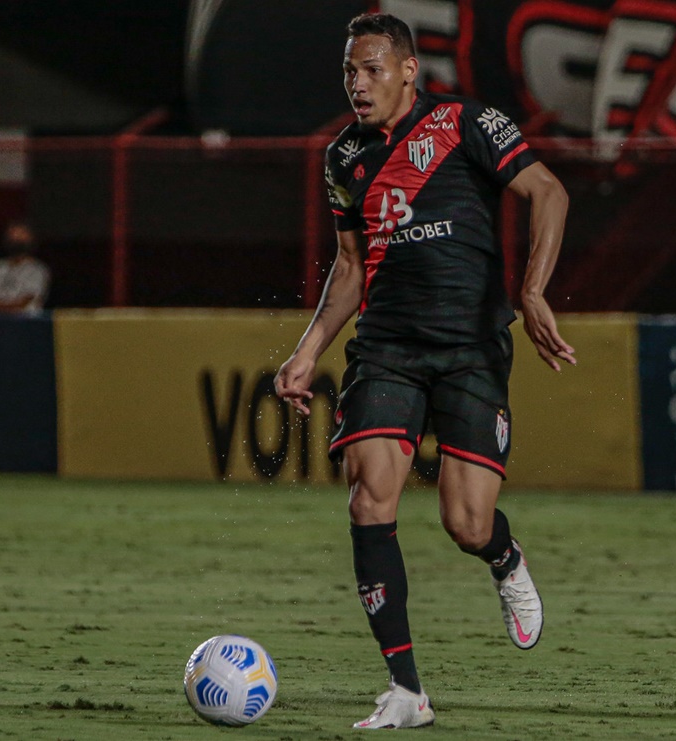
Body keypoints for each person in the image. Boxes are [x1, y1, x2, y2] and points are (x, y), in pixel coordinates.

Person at [273, 12, 574, 730]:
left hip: (471, 347)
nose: (358, 83)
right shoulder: (343, 157)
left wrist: (530, 292)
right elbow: (350, 268)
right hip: (388, 350)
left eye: (372, 68)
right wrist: (308, 349)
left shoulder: (470, 122)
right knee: (369, 498)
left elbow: (550, 193)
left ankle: (504, 558)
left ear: (409, 69)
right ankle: (406, 689)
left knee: (466, 523)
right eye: (350, 70)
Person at [0, 221, 50, 315]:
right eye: (12, 235)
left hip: (24, 323)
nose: (16, 239)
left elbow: (24, 303)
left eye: (20, 235)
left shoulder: (38, 270)